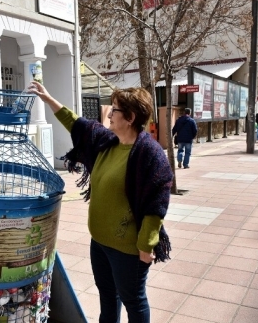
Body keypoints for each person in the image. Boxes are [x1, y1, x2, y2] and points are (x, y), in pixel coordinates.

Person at [28, 81, 172, 323]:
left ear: (130, 117)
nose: (110, 113)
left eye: (115, 109)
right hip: (100, 243)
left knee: (134, 301)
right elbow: (77, 124)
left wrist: (146, 246)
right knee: (107, 297)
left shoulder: (149, 153)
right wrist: (49, 99)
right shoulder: (107, 142)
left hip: (128, 250)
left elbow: (155, 204)